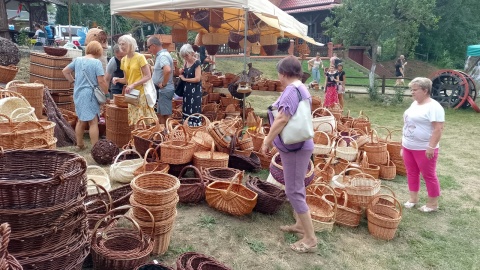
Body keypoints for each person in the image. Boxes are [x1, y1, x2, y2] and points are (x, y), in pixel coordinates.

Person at [261, 55, 317, 253]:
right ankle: (301, 226)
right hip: (300, 145)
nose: (278, 78)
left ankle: (310, 239)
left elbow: (283, 118)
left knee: (293, 190)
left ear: (284, 73)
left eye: (279, 74)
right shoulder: (302, 87)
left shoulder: (291, 90)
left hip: (296, 147)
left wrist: (267, 141)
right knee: (296, 187)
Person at [402, 77, 445, 212]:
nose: (412, 92)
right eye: (411, 90)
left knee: (429, 175)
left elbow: (438, 129)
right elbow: (407, 124)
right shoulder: (414, 104)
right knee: (411, 172)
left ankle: (432, 204)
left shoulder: (434, 107)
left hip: (424, 148)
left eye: (415, 90)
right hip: (408, 146)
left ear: (425, 90)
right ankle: (413, 199)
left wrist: (431, 147)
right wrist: (402, 145)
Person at [62, 41, 108, 150]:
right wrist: (106, 93)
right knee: (93, 122)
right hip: (90, 94)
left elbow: (65, 71)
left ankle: (80, 144)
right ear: (98, 51)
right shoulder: (96, 63)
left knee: (81, 120)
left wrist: (73, 82)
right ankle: (95, 147)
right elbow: (101, 81)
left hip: (78, 92)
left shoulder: (77, 60)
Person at [112, 35, 158, 126]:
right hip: (131, 95)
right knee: (134, 122)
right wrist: (117, 79)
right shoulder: (123, 60)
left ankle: (144, 138)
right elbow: (126, 80)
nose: (121, 46)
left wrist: (134, 84)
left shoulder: (140, 57)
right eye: (120, 44)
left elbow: (148, 76)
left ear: (130, 44)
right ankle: (138, 139)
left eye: (123, 44)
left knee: (143, 121)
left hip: (141, 94)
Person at [147, 36, 175, 125]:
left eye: (148, 47)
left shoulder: (162, 56)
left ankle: (167, 134)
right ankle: (164, 133)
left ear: (153, 46)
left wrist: (163, 84)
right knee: (161, 114)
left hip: (164, 90)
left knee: (165, 115)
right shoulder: (163, 55)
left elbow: (167, 70)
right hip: (164, 90)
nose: (148, 50)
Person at [178, 44, 202, 126]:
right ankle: (186, 127)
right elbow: (184, 73)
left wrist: (185, 79)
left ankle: (194, 128)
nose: (185, 58)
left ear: (192, 53)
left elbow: (197, 78)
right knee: (186, 109)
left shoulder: (197, 63)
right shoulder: (186, 62)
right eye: (183, 56)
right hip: (187, 92)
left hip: (195, 92)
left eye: (186, 56)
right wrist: (181, 72)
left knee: (194, 110)